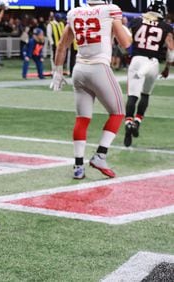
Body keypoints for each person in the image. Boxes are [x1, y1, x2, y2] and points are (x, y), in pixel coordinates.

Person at [50, 0, 132, 179]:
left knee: (82, 119)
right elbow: (125, 43)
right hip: (99, 68)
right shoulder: (110, 10)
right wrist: (125, 28)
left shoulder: (75, 13)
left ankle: (78, 166)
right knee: (118, 112)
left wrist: (57, 71)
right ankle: (100, 156)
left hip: (79, 70)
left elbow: (62, 46)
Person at [123, 0, 173, 147]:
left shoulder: (136, 21)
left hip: (137, 60)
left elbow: (126, 40)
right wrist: (167, 67)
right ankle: (137, 121)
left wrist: (126, 54)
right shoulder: (166, 26)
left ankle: (128, 123)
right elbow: (171, 49)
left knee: (132, 96)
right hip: (153, 63)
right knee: (145, 95)